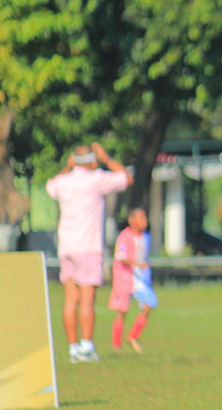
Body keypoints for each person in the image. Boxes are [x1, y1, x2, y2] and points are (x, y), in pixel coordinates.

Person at [46, 143, 132, 363]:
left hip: (66, 247)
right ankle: (87, 346)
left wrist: (68, 167)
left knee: (70, 300)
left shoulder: (63, 182)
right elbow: (126, 178)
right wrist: (108, 157)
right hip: (89, 247)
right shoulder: (97, 178)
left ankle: (73, 348)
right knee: (87, 300)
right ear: (93, 162)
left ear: (73, 161)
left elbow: (51, 185)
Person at [108, 208, 157, 353]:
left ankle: (132, 336)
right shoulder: (125, 236)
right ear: (132, 220)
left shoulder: (145, 237)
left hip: (141, 279)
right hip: (125, 278)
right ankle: (116, 344)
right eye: (141, 218)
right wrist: (136, 263)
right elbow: (120, 255)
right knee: (122, 310)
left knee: (149, 305)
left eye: (145, 217)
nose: (144, 221)